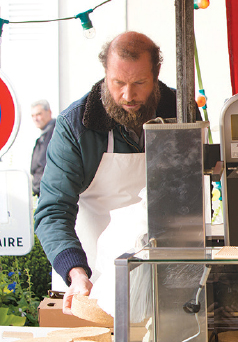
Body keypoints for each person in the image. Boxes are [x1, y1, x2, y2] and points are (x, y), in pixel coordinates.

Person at [34, 31, 196, 313]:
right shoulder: (76, 125)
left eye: (139, 83)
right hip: (90, 274)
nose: (127, 95)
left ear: (156, 74)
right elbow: (53, 210)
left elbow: (191, 194)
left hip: (164, 272)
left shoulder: (180, 112)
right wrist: (75, 271)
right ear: (105, 73)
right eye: (117, 83)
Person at [29, 99, 56, 196]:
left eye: (39, 114)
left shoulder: (55, 132)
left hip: (50, 192)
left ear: (49, 112)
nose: (35, 118)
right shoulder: (43, 136)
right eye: (33, 116)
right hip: (41, 191)